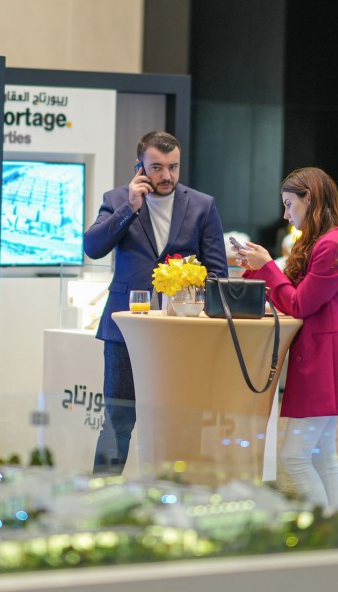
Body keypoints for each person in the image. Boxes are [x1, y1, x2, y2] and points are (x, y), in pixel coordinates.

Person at [84, 130, 228, 474]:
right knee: (118, 420)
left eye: (173, 167)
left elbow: (217, 273)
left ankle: (175, 493)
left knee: (182, 420)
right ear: (140, 166)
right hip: (125, 331)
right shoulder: (117, 199)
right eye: (157, 167)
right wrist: (129, 208)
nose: (167, 176)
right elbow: (93, 247)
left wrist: (192, 295)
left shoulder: (202, 205)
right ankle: (101, 493)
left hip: (182, 332)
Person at [233, 166, 338, 512]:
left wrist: (266, 266)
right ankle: (333, 526)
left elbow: (300, 304)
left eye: (290, 204)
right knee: (321, 456)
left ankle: (321, 525)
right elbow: (290, 293)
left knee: (296, 457)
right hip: (321, 355)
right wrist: (257, 266)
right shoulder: (321, 241)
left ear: (310, 199)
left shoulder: (331, 244)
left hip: (325, 360)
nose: (286, 214)